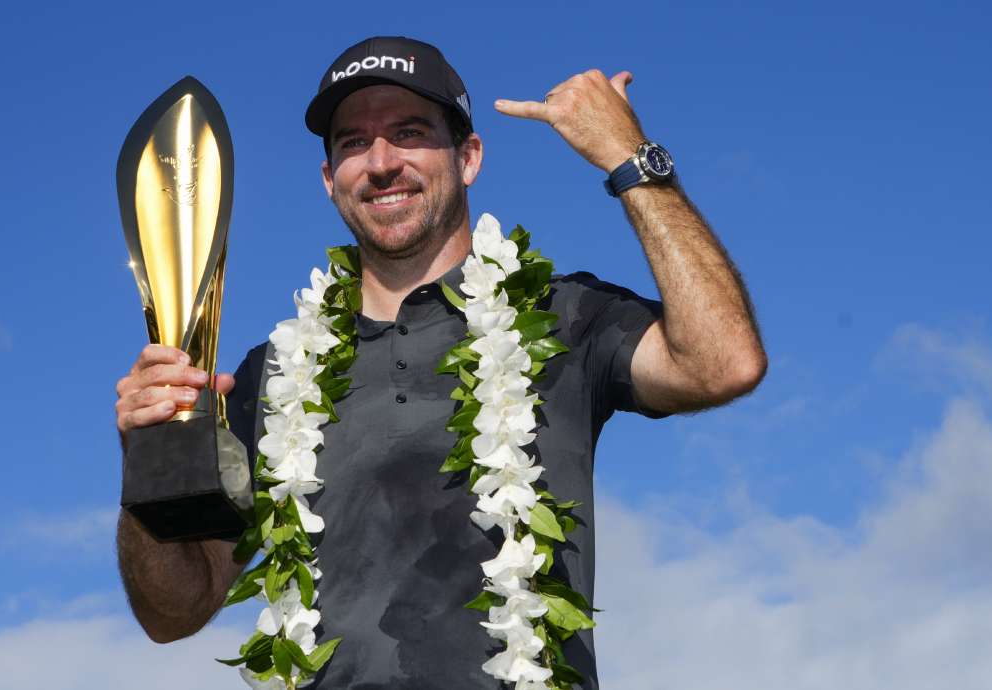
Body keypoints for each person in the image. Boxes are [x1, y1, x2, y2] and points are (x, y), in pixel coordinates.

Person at [114, 36, 766, 689]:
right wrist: (147, 459)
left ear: (469, 157)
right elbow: (174, 611)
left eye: (409, 132)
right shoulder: (273, 373)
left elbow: (723, 362)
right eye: (352, 143)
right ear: (327, 180)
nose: (381, 162)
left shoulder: (558, 315)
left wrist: (631, 159)